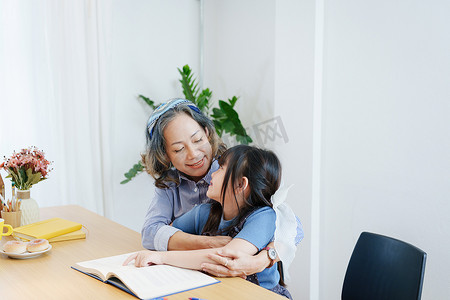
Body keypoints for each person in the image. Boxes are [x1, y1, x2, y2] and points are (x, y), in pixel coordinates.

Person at [141, 98, 303, 278]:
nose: (193, 154)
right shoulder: (174, 188)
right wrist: (206, 243)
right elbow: (150, 233)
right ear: (165, 154)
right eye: (179, 149)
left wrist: (263, 259)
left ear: (207, 132)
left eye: (197, 139)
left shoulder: (232, 167)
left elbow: (288, 225)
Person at [125, 145, 292, 299]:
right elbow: (168, 232)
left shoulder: (264, 217)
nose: (212, 173)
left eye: (221, 169)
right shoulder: (204, 213)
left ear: (241, 184)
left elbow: (227, 257)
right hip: (220, 292)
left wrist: (161, 258)